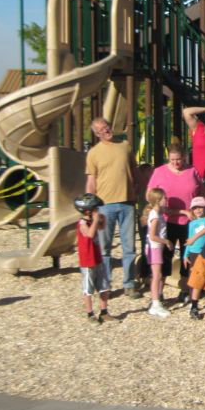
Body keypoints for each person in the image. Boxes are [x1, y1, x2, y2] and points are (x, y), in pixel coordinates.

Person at [85, 117, 139, 299]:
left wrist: (137, 191)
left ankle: (129, 283)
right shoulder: (93, 153)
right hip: (104, 205)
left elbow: (135, 171)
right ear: (96, 134)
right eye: (100, 130)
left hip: (127, 202)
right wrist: (90, 207)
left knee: (129, 247)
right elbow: (91, 181)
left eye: (106, 127)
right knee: (105, 248)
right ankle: (105, 284)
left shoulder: (125, 146)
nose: (105, 131)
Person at [146, 146, 203, 305]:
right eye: (172, 160)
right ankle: (159, 292)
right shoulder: (160, 172)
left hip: (189, 222)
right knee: (164, 257)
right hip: (166, 221)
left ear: (184, 157)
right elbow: (149, 194)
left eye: (178, 159)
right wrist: (159, 207)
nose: (176, 163)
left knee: (188, 255)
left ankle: (186, 289)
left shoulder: (192, 171)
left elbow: (201, 190)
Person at [74, 193, 114, 323]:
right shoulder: (82, 223)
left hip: (97, 258)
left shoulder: (92, 221)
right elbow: (90, 234)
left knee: (104, 286)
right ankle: (90, 313)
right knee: (88, 289)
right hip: (87, 261)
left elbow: (102, 228)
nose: (98, 211)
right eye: (96, 209)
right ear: (88, 211)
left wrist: (101, 220)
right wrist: (96, 220)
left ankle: (104, 311)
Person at [144, 188, 175, 319]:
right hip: (154, 247)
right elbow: (152, 236)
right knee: (156, 275)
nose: (166, 201)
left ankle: (156, 301)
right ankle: (155, 303)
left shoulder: (158, 213)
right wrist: (166, 241)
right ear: (158, 200)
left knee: (158, 275)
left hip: (157, 247)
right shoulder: (155, 216)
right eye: (164, 199)